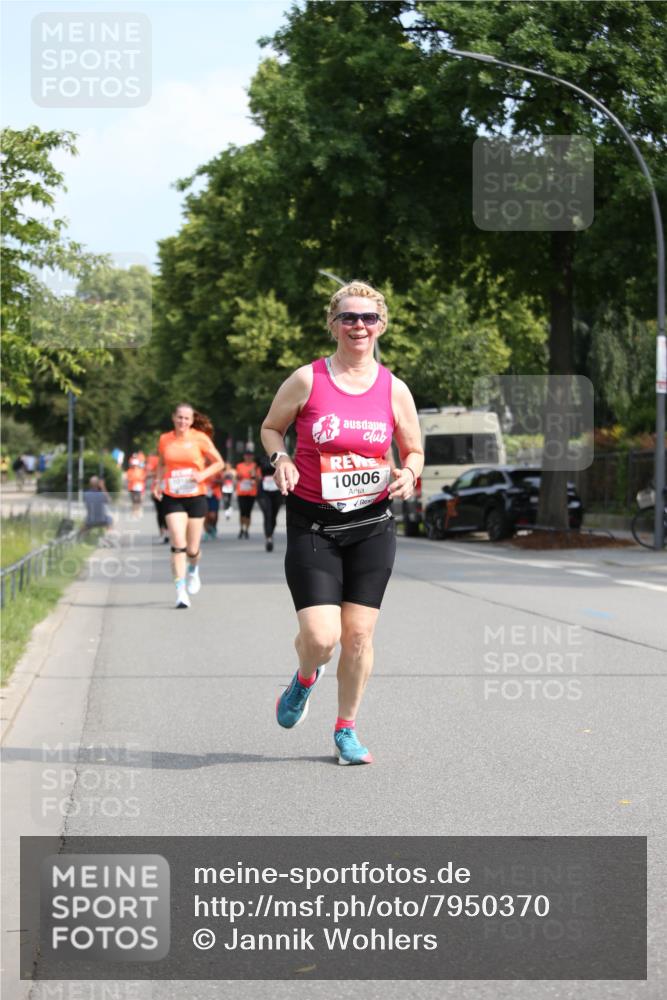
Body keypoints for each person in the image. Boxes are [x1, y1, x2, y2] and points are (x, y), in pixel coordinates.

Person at [261, 280, 423, 765]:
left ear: (382, 326)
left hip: (372, 524)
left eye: (368, 318)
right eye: (349, 317)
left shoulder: (394, 389)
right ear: (333, 323)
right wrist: (281, 459)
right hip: (314, 523)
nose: (359, 326)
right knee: (321, 637)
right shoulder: (308, 380)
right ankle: (305, 677)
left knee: (358, 636)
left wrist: (410, 474)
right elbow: (272, 427)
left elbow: (413, 449)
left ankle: (346, 729)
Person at [152, 404, 224, 608]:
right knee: (177, 543)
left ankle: (194, 568)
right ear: (173, 417)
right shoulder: (165, 439)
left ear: (192, 421)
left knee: (192, 549)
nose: (183, 422)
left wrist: (202, 475)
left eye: (187, 418)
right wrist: (157, 483)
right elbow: (161, 463)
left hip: (195, 496)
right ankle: (181, 592)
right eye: (179, 417)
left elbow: (218, 463)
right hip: (172, 496)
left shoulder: (200, 438)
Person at [257, 453, 283, 552]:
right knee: (267, 513)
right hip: (264, 489)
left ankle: (270, 533)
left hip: (277, 489)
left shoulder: (281, 456)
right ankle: (269, 538)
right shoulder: (261, 458)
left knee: (273, 515)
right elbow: (254, 470)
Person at [80, 476, 114, 545]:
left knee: (84, 524)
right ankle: (108, 538)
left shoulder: (85, 494)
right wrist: (103, 487)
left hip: (90, 520)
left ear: (90, 484)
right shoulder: (102, 494)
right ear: (98, 484)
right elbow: (110, 500)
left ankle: (80, 539)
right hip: (103, 520)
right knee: (110, 520)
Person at [235, 448, 259, 539]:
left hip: (251, 492)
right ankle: (241, 528)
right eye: (246, 456)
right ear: (244, 457)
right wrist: (238, 476)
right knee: (242, 511)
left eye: (250, 456)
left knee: (248, 512)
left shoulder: (255, 466)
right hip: (241, 492)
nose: (248, 457)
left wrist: (254, 475)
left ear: (252, 457)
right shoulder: (239, 466)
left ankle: (246, 530)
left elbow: (258, 480)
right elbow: (236, 478)